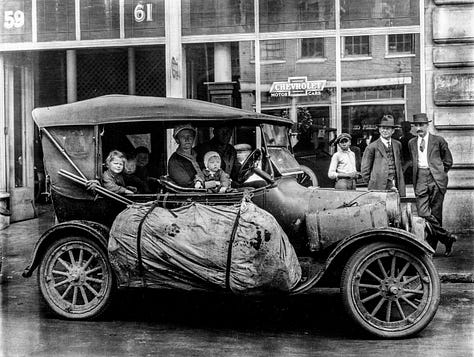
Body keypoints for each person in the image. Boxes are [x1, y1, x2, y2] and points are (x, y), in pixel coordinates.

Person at [408, 113, 456, 256]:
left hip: (436, 179)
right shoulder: (411, 143)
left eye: (421, 125)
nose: (419, 128)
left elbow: (448, 161)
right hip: (420, 178)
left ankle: (431, 248)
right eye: (416, 125)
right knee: (423, 212)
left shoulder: (438, 140)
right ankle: (447, 238)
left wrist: (439, 173)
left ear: (427, 125)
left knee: (436, 213)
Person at [361, 115, 406, 197]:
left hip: (395, 182)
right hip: (378, 185)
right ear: (379, 130)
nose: (385, 130)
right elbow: (365, 171)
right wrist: (374, 182)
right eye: (382, 128)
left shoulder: (397, 145)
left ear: (393, 131)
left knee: (395, 207)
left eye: (388, 128)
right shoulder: (372, 147)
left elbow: (401, 164)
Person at [168, 124, 205, 188]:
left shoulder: (199, 155)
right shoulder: (174, 161)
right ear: (177, 140)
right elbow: (187, 184)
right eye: (183, 137)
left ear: (193, 138)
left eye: (190, 136)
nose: (187, 139)